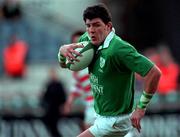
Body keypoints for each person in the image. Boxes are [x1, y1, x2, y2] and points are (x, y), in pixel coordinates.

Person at [58, 3, 161, 137]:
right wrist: (62, 51)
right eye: (88, 26)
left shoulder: (119, 49)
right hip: (100, 115)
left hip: (115, 121)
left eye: (96, 25)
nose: (91, 30)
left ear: (108, 26)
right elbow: (65, 65)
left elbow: (154, 72)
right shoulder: (87, 40)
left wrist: (141, 107)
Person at [64, 30, 96, 131]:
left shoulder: (97, 57)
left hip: (106, 104)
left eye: (81, 43)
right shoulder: (76, 68)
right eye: (75, 44)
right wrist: (68, 104)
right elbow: (76, 88)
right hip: (91, 105)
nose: (78, 47)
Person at [41, 68, 66, 137]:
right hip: (50, 108)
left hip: (57, 108)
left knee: (54, 125)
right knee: (48, 123)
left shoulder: (59, 84)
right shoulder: (49, 84)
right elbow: (45, 97)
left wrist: (63, 106)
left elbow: (63, 96)